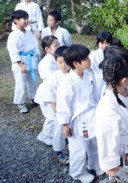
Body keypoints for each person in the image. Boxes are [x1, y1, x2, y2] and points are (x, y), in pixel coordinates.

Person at [56, 44, 103, 183]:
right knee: (78, 148)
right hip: (76, 120)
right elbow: (63, 105)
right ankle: (77, 172)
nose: (90, 60)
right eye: (86, 58)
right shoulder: (67, 82)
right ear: (76, 63)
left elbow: (95, 97)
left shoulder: (90, 77)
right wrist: (65, 124)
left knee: (94, 143)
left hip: (92, 115)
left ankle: (94, 164)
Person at [95, 54, 128, 177]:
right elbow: (106, 138)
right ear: (124, 80)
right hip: (125, 152)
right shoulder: (107, 106)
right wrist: (112, 167)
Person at [7, 10, 40, 113]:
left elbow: (34, 46)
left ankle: (33, 97)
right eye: (23, 19)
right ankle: (20, 102)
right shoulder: (13, 35)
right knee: (21, 83)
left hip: (31, 59)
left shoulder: (29, 31)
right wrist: (21, 65)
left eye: (27, 18)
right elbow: (13, 51)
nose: (26, 21)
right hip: (21, 61)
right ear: (16, 20)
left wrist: (38, 59)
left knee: (33, 81)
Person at [43, 46, 70, 164]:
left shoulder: (75, 74)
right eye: (60, 62)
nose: (64, 65)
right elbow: (50, 93)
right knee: (59, 130)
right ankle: (58, 151)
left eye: (66, 62)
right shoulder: (55, 76)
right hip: (60, 109)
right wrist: (55, 108)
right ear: (56, 62)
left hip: (73, 108)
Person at [35, 35, 59, 145]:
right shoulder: (46, 63)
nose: (58, 47)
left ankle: (52, 134)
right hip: (47, 93)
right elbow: (51, 80)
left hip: (54, 90)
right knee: (51, 117)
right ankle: (45, 135)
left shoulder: (55, 58)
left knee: (55, 116)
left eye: (59, 45)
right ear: (47, 49)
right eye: (55, 46)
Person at [89, 30, 113, 94]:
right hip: (98, 80)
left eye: (107, 43)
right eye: (102, 43)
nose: (104, 45)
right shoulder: (93, 55)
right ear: (98, 43)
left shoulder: (113, 53)